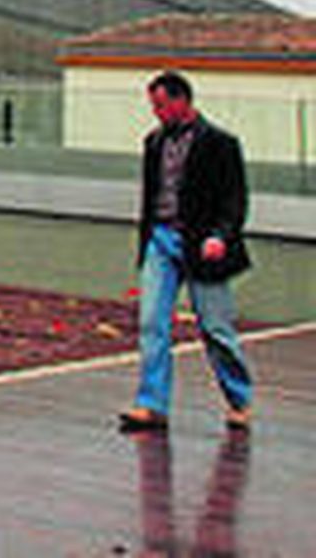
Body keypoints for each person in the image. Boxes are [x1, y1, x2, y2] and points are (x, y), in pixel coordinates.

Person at [119, 70, 254, 434]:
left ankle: (239, 399)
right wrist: (147, 240)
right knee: (152, 323)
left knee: (215, 328)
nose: (156, 112)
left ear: (182, 101)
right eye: (153, 105)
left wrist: (221, 236)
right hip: (161, 241)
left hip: (202, 245)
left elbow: (235, 199)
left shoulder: (221, 143)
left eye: (161, 105)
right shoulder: (153, 142)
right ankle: (152, 404)